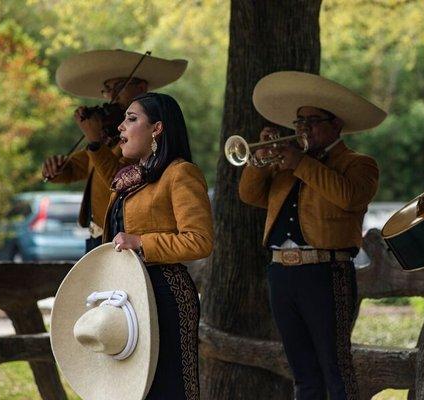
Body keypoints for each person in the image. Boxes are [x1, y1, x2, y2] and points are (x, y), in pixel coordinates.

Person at [238, 71, 386, 400]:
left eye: (312, 121)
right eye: (299, 121)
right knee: (302, 372)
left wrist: (302, 164)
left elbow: (350, 197)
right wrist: (259, 162)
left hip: (326, 271)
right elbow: (249, 195)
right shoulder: (285, 164)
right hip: (281, 273)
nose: (302, 128)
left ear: (336, 124)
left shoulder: (358, 163)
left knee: (336, 369)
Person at [104, 92, 213, 399]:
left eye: (131, 118)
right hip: (126, 294)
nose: (121, 127)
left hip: (165, 293)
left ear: (157, 128)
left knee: (169, 389)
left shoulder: (180, 173)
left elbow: (200, 240)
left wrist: (141, 243)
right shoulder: (128, 179)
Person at [42, 50, 187, 252]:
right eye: (107, 90)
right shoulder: (110, 136)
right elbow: (80, 166)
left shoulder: (144, 139)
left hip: (122, 237)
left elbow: (121, 180)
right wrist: (56, 169)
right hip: (98, 236)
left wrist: (94, 142)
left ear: (141, 88)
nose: (111, 96)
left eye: (118, 87)